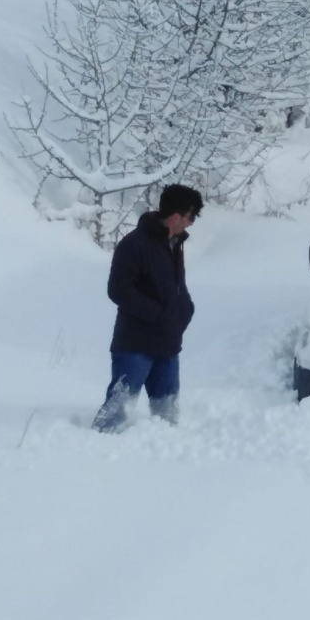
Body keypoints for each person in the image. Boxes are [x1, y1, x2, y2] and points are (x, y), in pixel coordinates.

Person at [92, 184, 204, 433]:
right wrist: (158, 316)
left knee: (167, 421)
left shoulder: (174, 245)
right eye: (191, 217)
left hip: (167, 346)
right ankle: (96, 458)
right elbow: (118, 290)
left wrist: (185, 310)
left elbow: (174, 289)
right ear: (176, 216)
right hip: (135, 345)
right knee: (114, 416)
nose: (191, 223)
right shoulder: (134, 245)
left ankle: (161, 469)